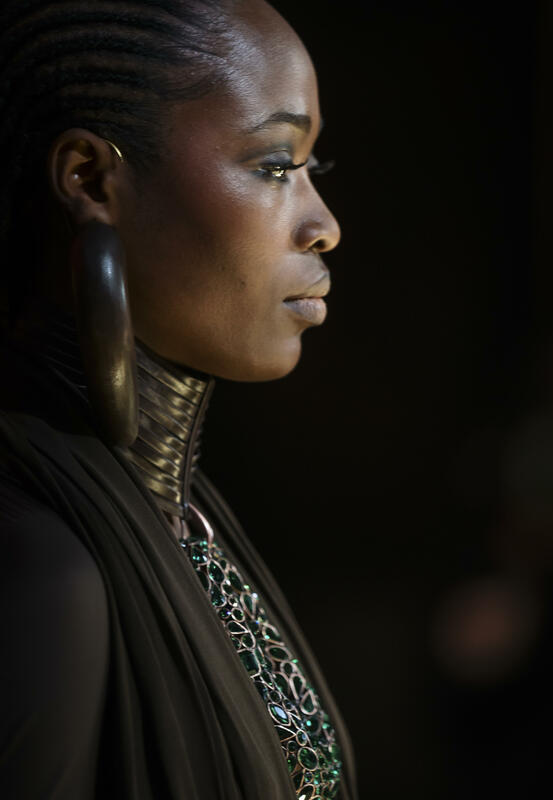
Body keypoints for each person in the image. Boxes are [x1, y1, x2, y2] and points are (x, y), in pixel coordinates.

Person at [0, 1, 358, 798]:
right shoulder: (44, 570)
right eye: (276, 165)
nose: (323, 225)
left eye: (314, 169)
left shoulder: (184, 519)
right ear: (90, 179)